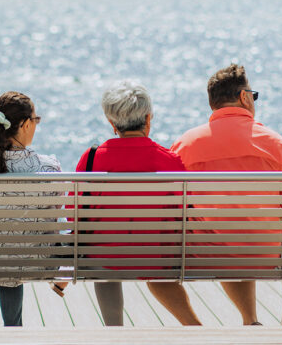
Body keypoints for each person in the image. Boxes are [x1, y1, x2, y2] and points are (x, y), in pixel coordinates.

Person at [171, 63, 282, 326]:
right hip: (268, 255)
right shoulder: (275, 144)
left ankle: (209, 326)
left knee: (222, 236)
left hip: (202, 257)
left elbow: (171, 208)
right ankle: (250, 321)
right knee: (243, 234)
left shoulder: (185, 145)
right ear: (244, 97)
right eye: (252, 96)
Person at [75, 80, 203, 326]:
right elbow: (185, 215)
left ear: (112, 124)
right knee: (158, 252)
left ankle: (115, 333)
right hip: (157, 255)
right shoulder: (169, 161)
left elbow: (76, 215)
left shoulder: (92, 159)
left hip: (106, 257)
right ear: (148, 118)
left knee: (103, 262)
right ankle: (192, 327)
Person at [0, 91, 66, 326]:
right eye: (35, 121)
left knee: (1, 248)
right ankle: (13, 330)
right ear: (25, 124)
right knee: (17, 248)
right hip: (39, 260)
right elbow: (56, 209)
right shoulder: (49, 168)